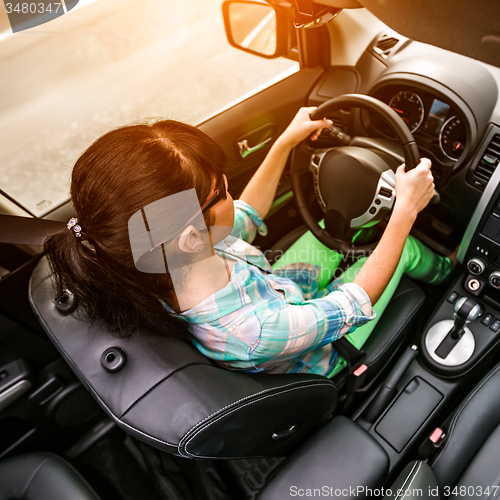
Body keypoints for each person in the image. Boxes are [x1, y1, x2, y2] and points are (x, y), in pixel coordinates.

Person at [45, 107, 453, 378]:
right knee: (404, 250)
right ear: (191, 238)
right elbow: (355, 301)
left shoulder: (166, 256)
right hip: (321, 350)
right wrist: (405, 211)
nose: (229, 189)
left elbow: (250, 215)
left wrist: (285, 142)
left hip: (280, 292)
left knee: (331, 238)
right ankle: (450, 267)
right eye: (221, 192)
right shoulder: (253, 333)